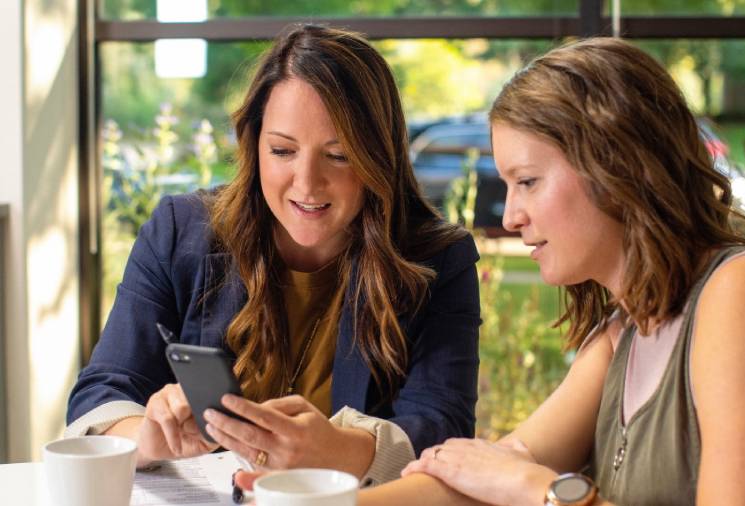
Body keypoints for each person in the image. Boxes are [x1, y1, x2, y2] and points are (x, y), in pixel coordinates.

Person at [243, 37, 745, 504]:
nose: (513, 216)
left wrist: (541, 493)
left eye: (528, 181)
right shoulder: (626, 333)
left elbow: (521, 480)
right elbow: (484, 478)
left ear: (616, 167)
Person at [66, 23, 481, 486]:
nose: (306, 183)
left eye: (339, 155)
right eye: (282, 150)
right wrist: (146, 436)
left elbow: (444, 429)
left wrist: (341, 450)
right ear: (254, 144)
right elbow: (100, 394)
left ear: (378, 157)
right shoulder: (180, 232)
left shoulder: (440, 259)